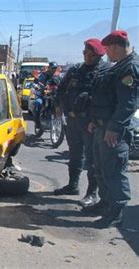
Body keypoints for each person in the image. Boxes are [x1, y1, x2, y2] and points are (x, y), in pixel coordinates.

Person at [88, 30, 137, 228]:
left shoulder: (130, 68)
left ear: (115, 47)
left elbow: (127, 104)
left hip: (114, 134)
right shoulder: (119, 67)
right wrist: (96, 121)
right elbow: (106, 99)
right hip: (103, 128)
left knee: (114, 172)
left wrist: (114, 129)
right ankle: (105, 203)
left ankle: (116, 212)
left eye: (107, 49)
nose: (106, 53)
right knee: (100, 168)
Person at [53, 39, 111, 207]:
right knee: (74, 155)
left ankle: (92, 193)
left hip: (90, 123)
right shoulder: (76, 70)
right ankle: (73, 185)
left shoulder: (105, 72)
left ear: (98, 55)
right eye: (84, 53)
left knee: (92, 160)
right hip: (72, 120)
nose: (86, 56)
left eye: (90, 54)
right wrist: (57, 105)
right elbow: (61, 88)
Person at [32, 62, 61, 130]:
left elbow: (61, 83)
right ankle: (37, 123)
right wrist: (38, 86)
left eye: (55, 68)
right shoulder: (43, 75)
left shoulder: (57, 76)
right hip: (43, 94)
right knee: (38, 103)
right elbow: (38, 81)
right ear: (49, 68)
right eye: (52, 68)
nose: (54, 70)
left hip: (54, 95)